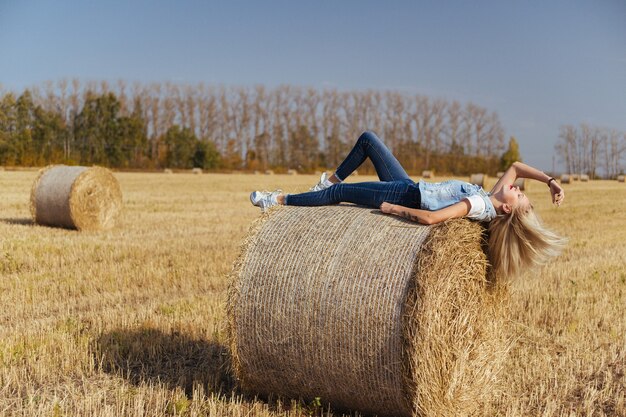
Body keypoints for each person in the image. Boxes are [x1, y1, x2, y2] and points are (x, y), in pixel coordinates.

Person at [250, 131, 566, 278]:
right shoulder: (492, 195)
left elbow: (431, 219)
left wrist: (393, 210)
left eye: (520, 195)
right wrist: (549, 181)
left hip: (405, 197)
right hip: (410, 185)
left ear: (507, 209)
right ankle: (329, 180)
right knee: (368, 141)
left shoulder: (477, 203)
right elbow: (516, 166)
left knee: (341, 196)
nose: (518, 187)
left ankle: (277, 200)